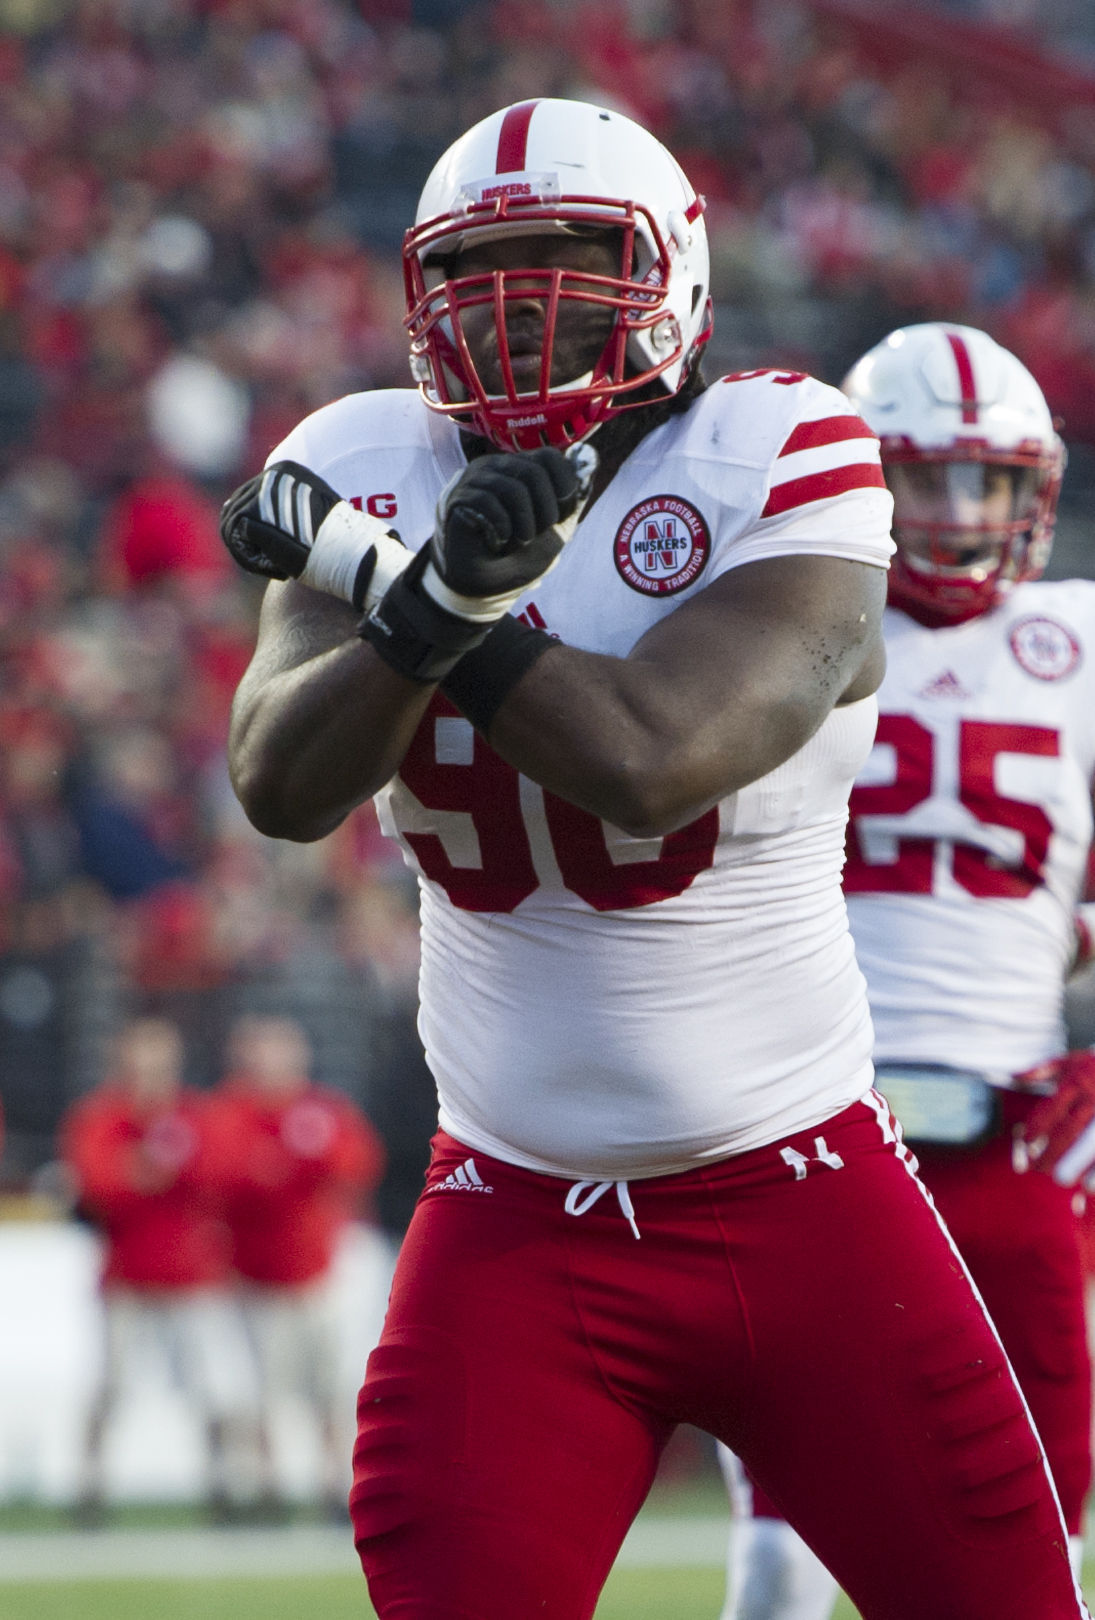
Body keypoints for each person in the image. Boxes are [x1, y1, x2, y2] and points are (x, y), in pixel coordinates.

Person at [217, 98, 1088, 1619]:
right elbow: (281, 782)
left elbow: (651, 752)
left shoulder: (778, 442)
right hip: (509, 1215)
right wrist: (425, 601)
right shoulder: (359, 454)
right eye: (480, 271)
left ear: (672, 272)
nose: (523, 306)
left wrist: (416, 599)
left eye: (569, 257)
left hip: (807, 1204)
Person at [718, 323, 1095, 1620]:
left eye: (982, 480)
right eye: (922, 476)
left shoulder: (1075, 643)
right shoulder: (779, 620)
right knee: (782, 1546)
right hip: (814, 1128)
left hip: (1012, 1131)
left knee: (1037, 1535)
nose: (953, 511)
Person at [60, 1014, 254, 1522]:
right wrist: (157, 1173)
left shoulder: (198, 1114)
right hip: (127, 1276)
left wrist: (143, 1170)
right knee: (108, 1389)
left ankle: (224, 1487)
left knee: (214, 1390)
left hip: (195, 1276)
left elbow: (224, 1175)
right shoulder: (101, 1116)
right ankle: (90, 1489)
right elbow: (97, 1185)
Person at [213, 1012, 385, 1518]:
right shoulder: (230, 1112)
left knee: (329, 1390)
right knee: (260, 1393)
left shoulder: (324, 1109)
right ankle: (269, 1489)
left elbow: (356, 1164)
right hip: (253, 1279)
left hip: (316, 1275)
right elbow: (226, 1177)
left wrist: (281, 1169)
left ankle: (335, 1485)